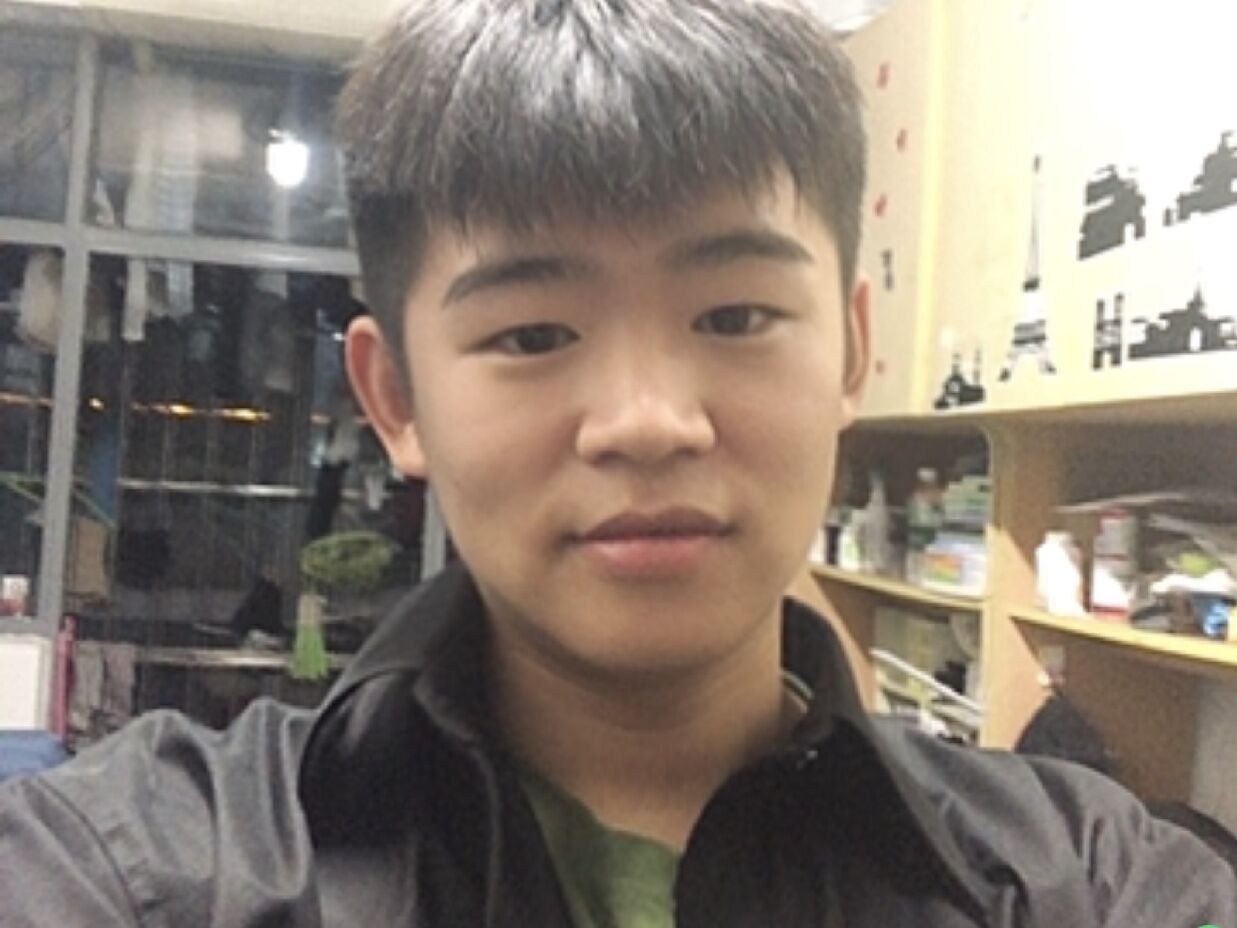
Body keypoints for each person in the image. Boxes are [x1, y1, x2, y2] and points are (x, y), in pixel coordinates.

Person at [1, 1, 1235, 925]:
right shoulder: (137, 867)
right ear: (397, 398)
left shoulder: (1087, 883)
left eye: (735, 316)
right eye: (533, 335)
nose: (648, 422)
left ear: (852, 352)